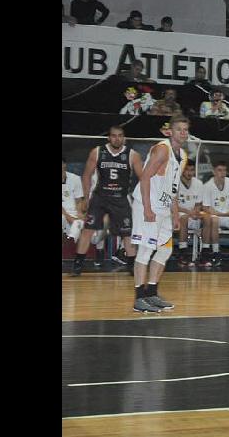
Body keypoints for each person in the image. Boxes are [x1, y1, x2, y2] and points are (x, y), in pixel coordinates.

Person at [129, 115, 190, 313]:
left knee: (165, 250)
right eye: (179, 129)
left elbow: (173, 187)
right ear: (169, 131)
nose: (183, 132)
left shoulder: (183, 155)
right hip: (149, 205)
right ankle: (139, 298)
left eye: (186, 129)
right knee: (146, 250)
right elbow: (145, 177)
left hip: (164, 208)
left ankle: (152, 293)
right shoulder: (162, 149)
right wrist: (147, 208)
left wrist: (175, 213)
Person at [72, 126, 143, 276]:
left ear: (124, 137)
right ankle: (77, 265)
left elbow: (143, 178)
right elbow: (86, 175)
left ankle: (132, 265)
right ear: (109, 137)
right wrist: (85, 198)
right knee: (87, 230)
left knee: (127, 232)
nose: (117, 138)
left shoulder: (132, 155)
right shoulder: (98, 152)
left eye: (120, 136)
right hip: (100, 197)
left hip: (120, 198)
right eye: (114, 136)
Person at [174, 161, 204, 265]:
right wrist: (188, 212)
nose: (189, 173)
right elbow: (173, 205)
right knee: (184, 217)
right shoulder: (175, 183)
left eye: (192, 170)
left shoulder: (198, 183)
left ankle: (206, 253)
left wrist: (196, 212)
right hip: (177, 214)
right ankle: (183, 251)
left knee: (209, 218)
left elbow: (199, 204)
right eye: (187, 170)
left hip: (193, 215)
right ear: (182, 170)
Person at [62, 157, 85, 244]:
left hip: (73, 213)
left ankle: (70, 240)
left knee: (79, 223)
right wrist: (68, 217)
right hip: (64, 215)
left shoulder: (75, 178)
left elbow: (79, 200)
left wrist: (79, 214)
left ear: (64, 165)